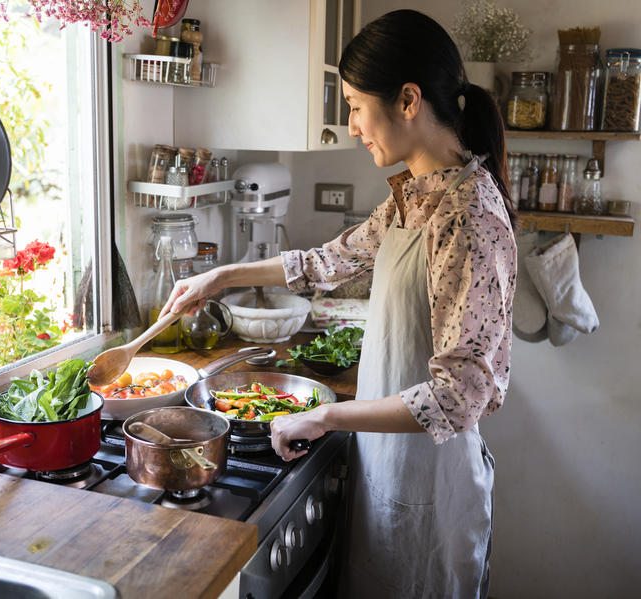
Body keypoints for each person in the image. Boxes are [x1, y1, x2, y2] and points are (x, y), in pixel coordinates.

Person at [160, 9, 517, 598]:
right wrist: (218, 277)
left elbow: (458, 397)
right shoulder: (416, 197)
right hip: (390, 468)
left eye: (354, 105)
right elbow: (327, 263)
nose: (351, 125)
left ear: (408, 99)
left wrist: (324, 414)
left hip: (432, 483)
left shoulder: (467, 216)